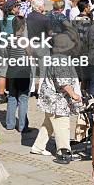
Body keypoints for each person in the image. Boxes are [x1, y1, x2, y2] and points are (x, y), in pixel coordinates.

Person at [31, 31, 82, 164]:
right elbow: (63, 82)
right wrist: (74, 95)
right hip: (56, 99)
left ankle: (38, 146)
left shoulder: (57, 57)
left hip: (49, 97)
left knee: (49, 122)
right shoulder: (61, 60)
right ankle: (64, 151)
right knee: (62, 123)